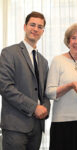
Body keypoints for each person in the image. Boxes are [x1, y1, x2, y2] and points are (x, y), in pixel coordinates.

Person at [0, 11, 50, 150]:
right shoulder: (8, 53)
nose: (35, 29)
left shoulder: (43, 61)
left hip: (37, 127)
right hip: (15, 126)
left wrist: (45, 108)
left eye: (40, 27)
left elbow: (44, 92)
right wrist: (34, 107)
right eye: (32, 25)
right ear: (24, 26)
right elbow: (5, 87)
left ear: (43, 31)